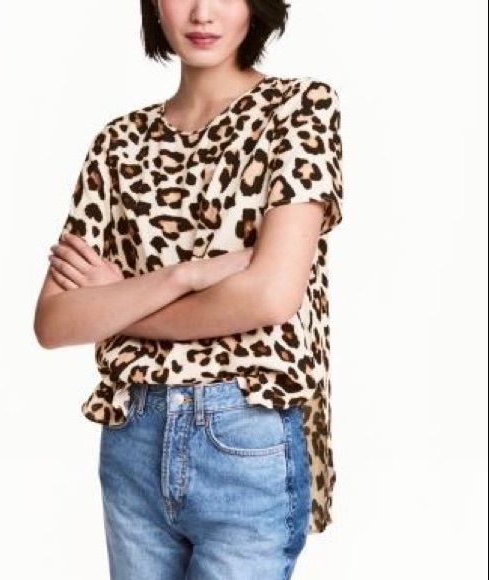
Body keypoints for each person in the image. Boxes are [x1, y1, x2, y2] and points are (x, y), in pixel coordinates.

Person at [33, 0, 343, 577]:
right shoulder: (118, 143)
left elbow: (270, 297)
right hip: (134, 431)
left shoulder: (299, 109)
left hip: (246, 426)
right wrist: (187, 276)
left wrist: (119, 304)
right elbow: (54, 323)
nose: (202, 12)